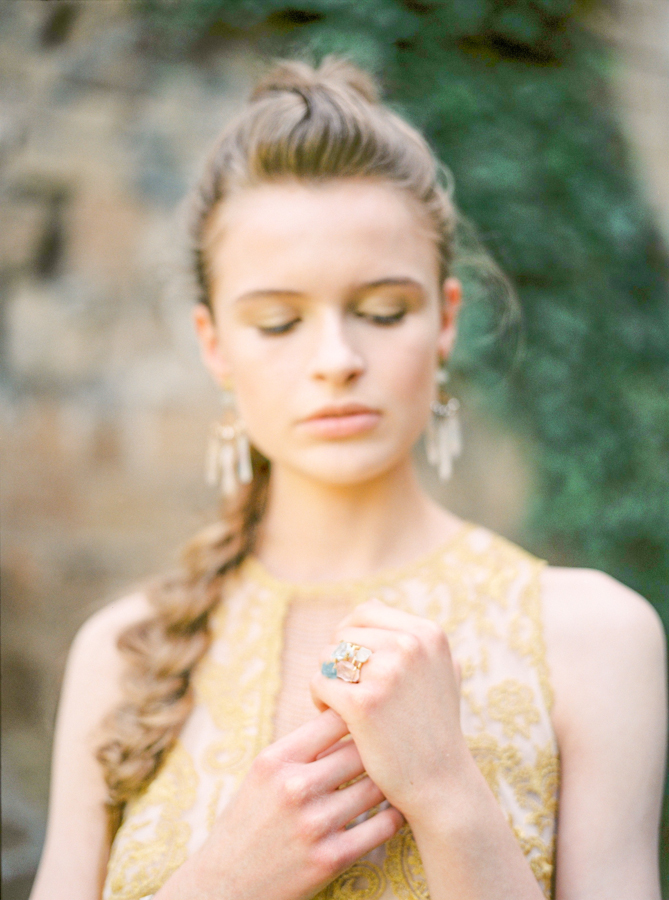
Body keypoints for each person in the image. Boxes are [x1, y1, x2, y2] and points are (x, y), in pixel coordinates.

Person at [29, 56, 666, 900]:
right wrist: (228, 879)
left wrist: (448, 795)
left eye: (380, 311)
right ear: (214, 342)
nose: (335, 360)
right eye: (279, 321)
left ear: (443, 322)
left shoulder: (593, 638)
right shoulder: (120, 655)